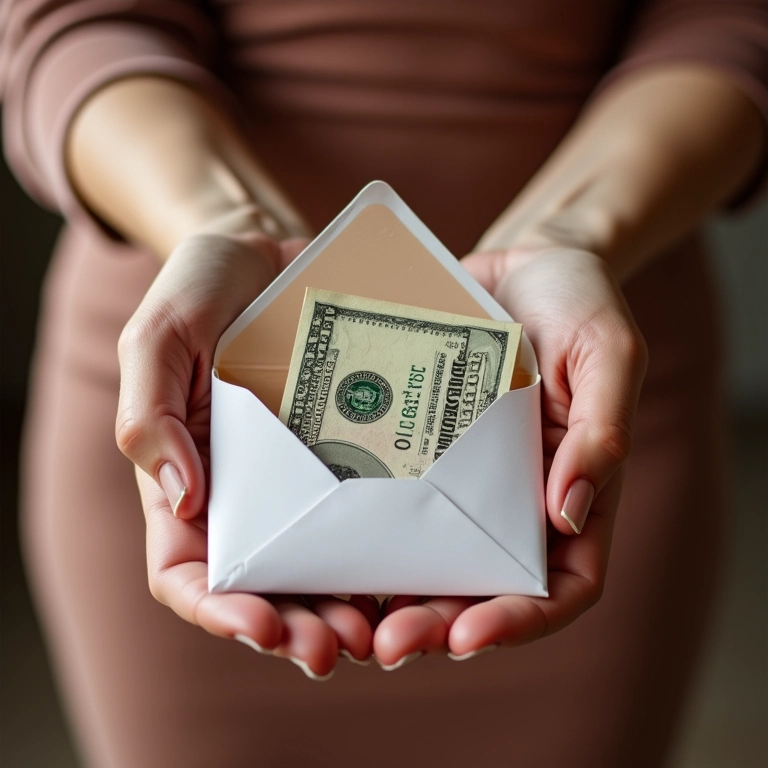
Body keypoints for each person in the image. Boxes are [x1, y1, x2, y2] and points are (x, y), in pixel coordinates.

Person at [2, 1, 766, 766]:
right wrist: (228, 224)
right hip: (200, 391)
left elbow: (727, 21)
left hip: (569, 400)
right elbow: (71, 24)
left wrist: (568, 234)